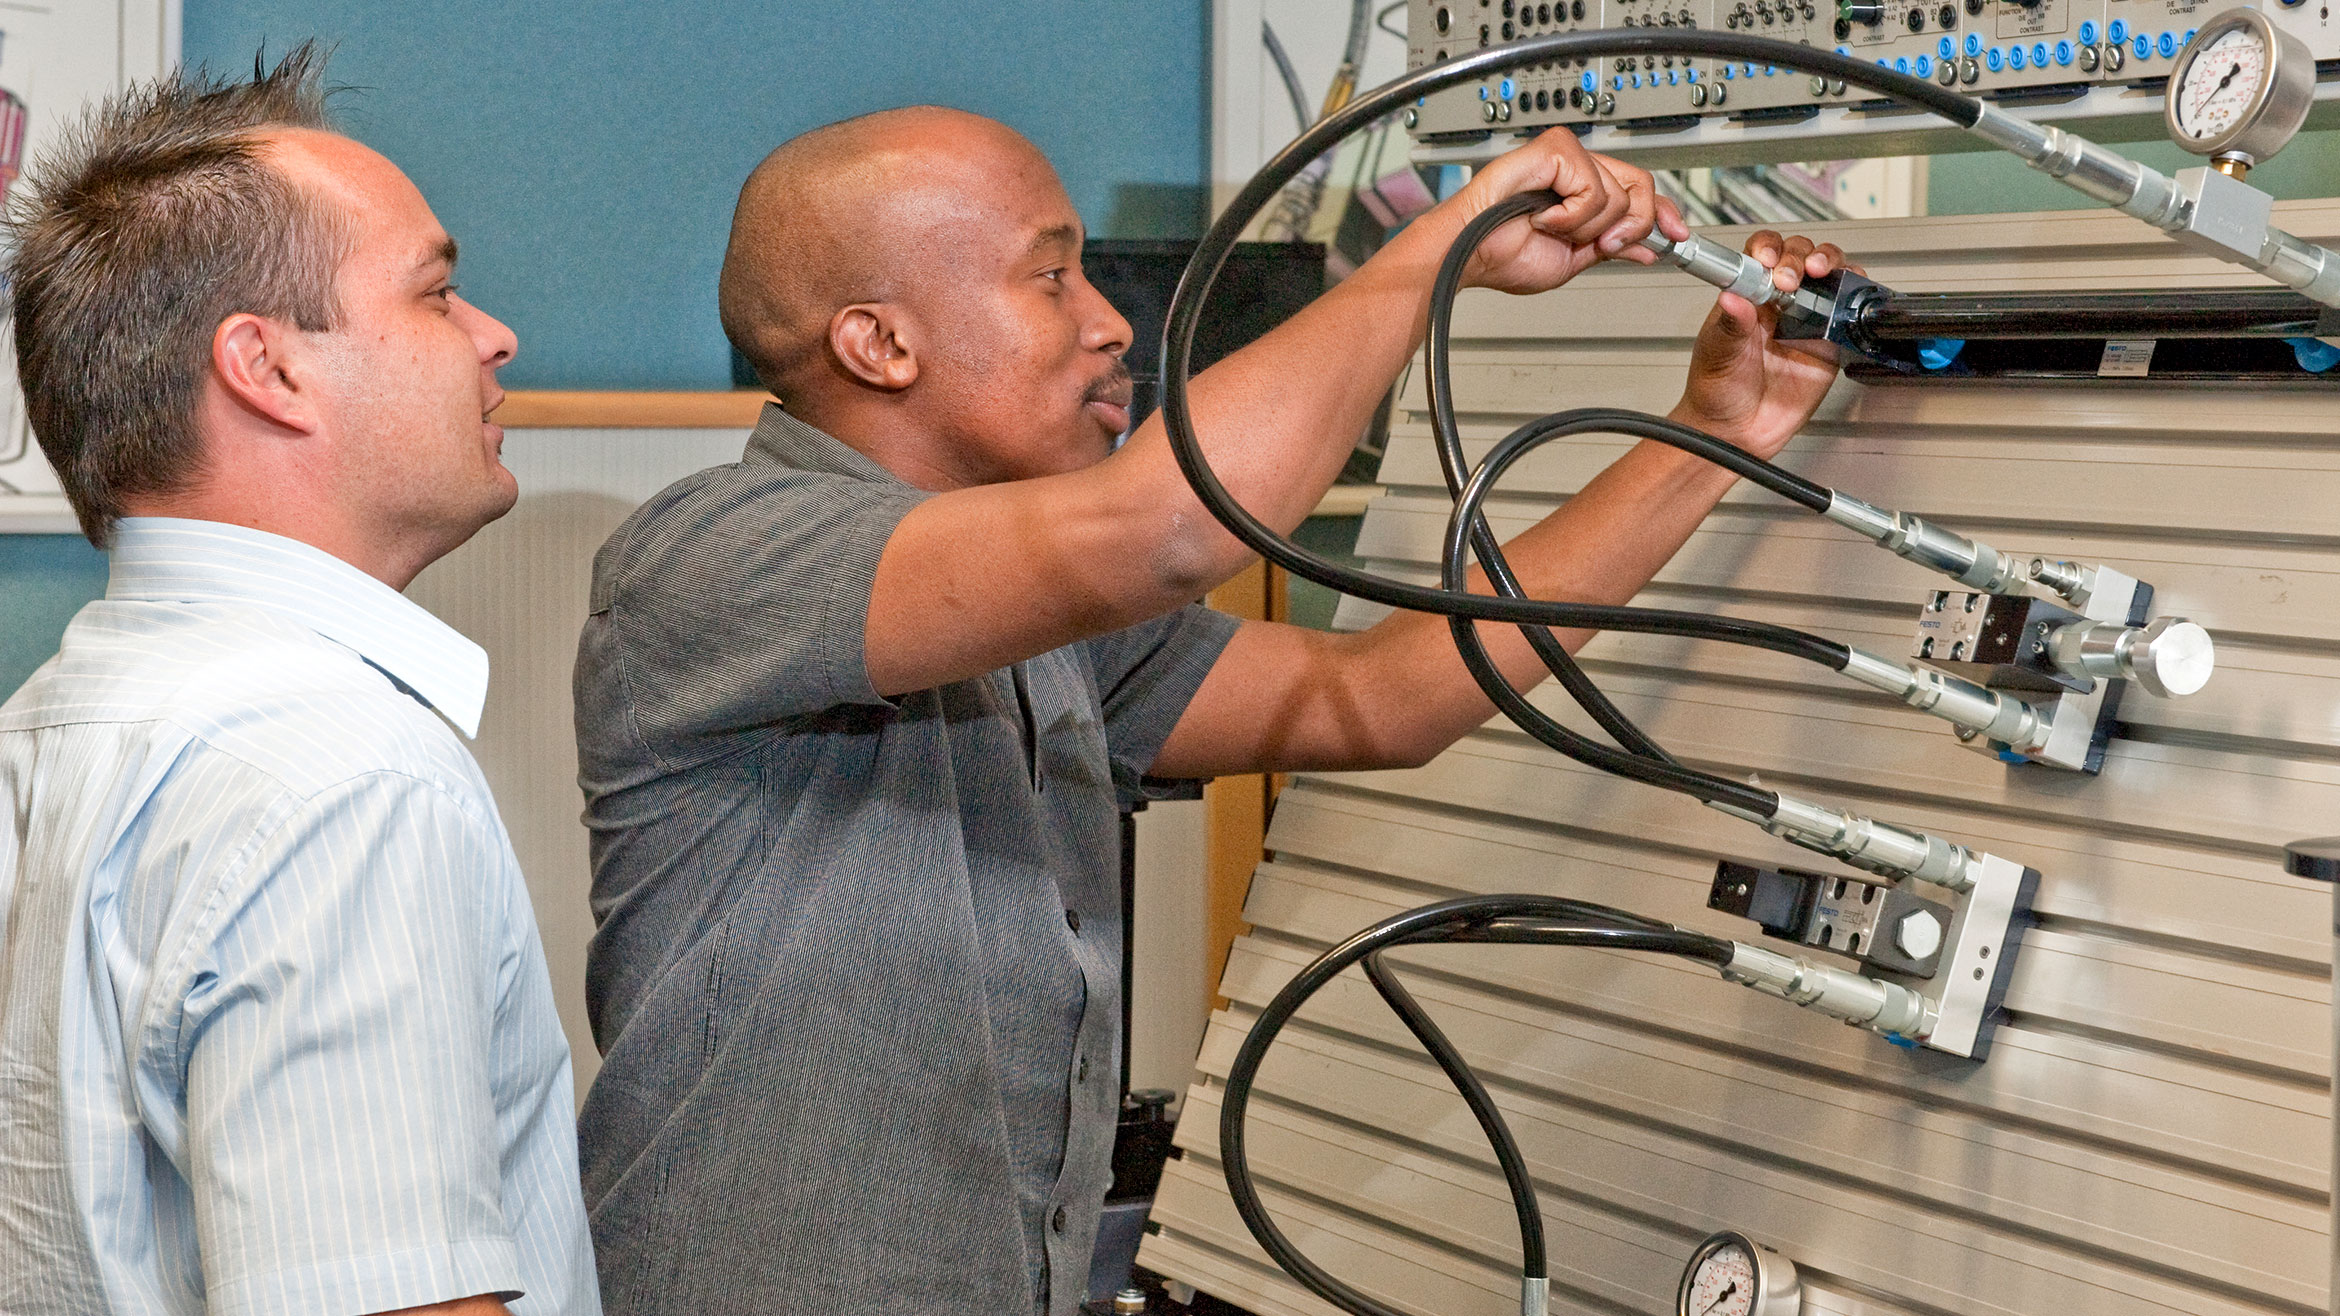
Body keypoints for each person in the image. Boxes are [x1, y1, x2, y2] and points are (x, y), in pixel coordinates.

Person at [572, 105, 1847, 1316]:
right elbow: (1171, 528)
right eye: (1049, 278)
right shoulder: (716, 552)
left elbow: (1377, 701)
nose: (1112, 324)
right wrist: (1431, 259)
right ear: (880, 344)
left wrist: (1712, 431)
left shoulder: (1049, 627)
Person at [0, 47, 596, 1316]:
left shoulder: (40, 733)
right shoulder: (341, 776)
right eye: (438, 295)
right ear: (266, 367)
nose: (496, 336)